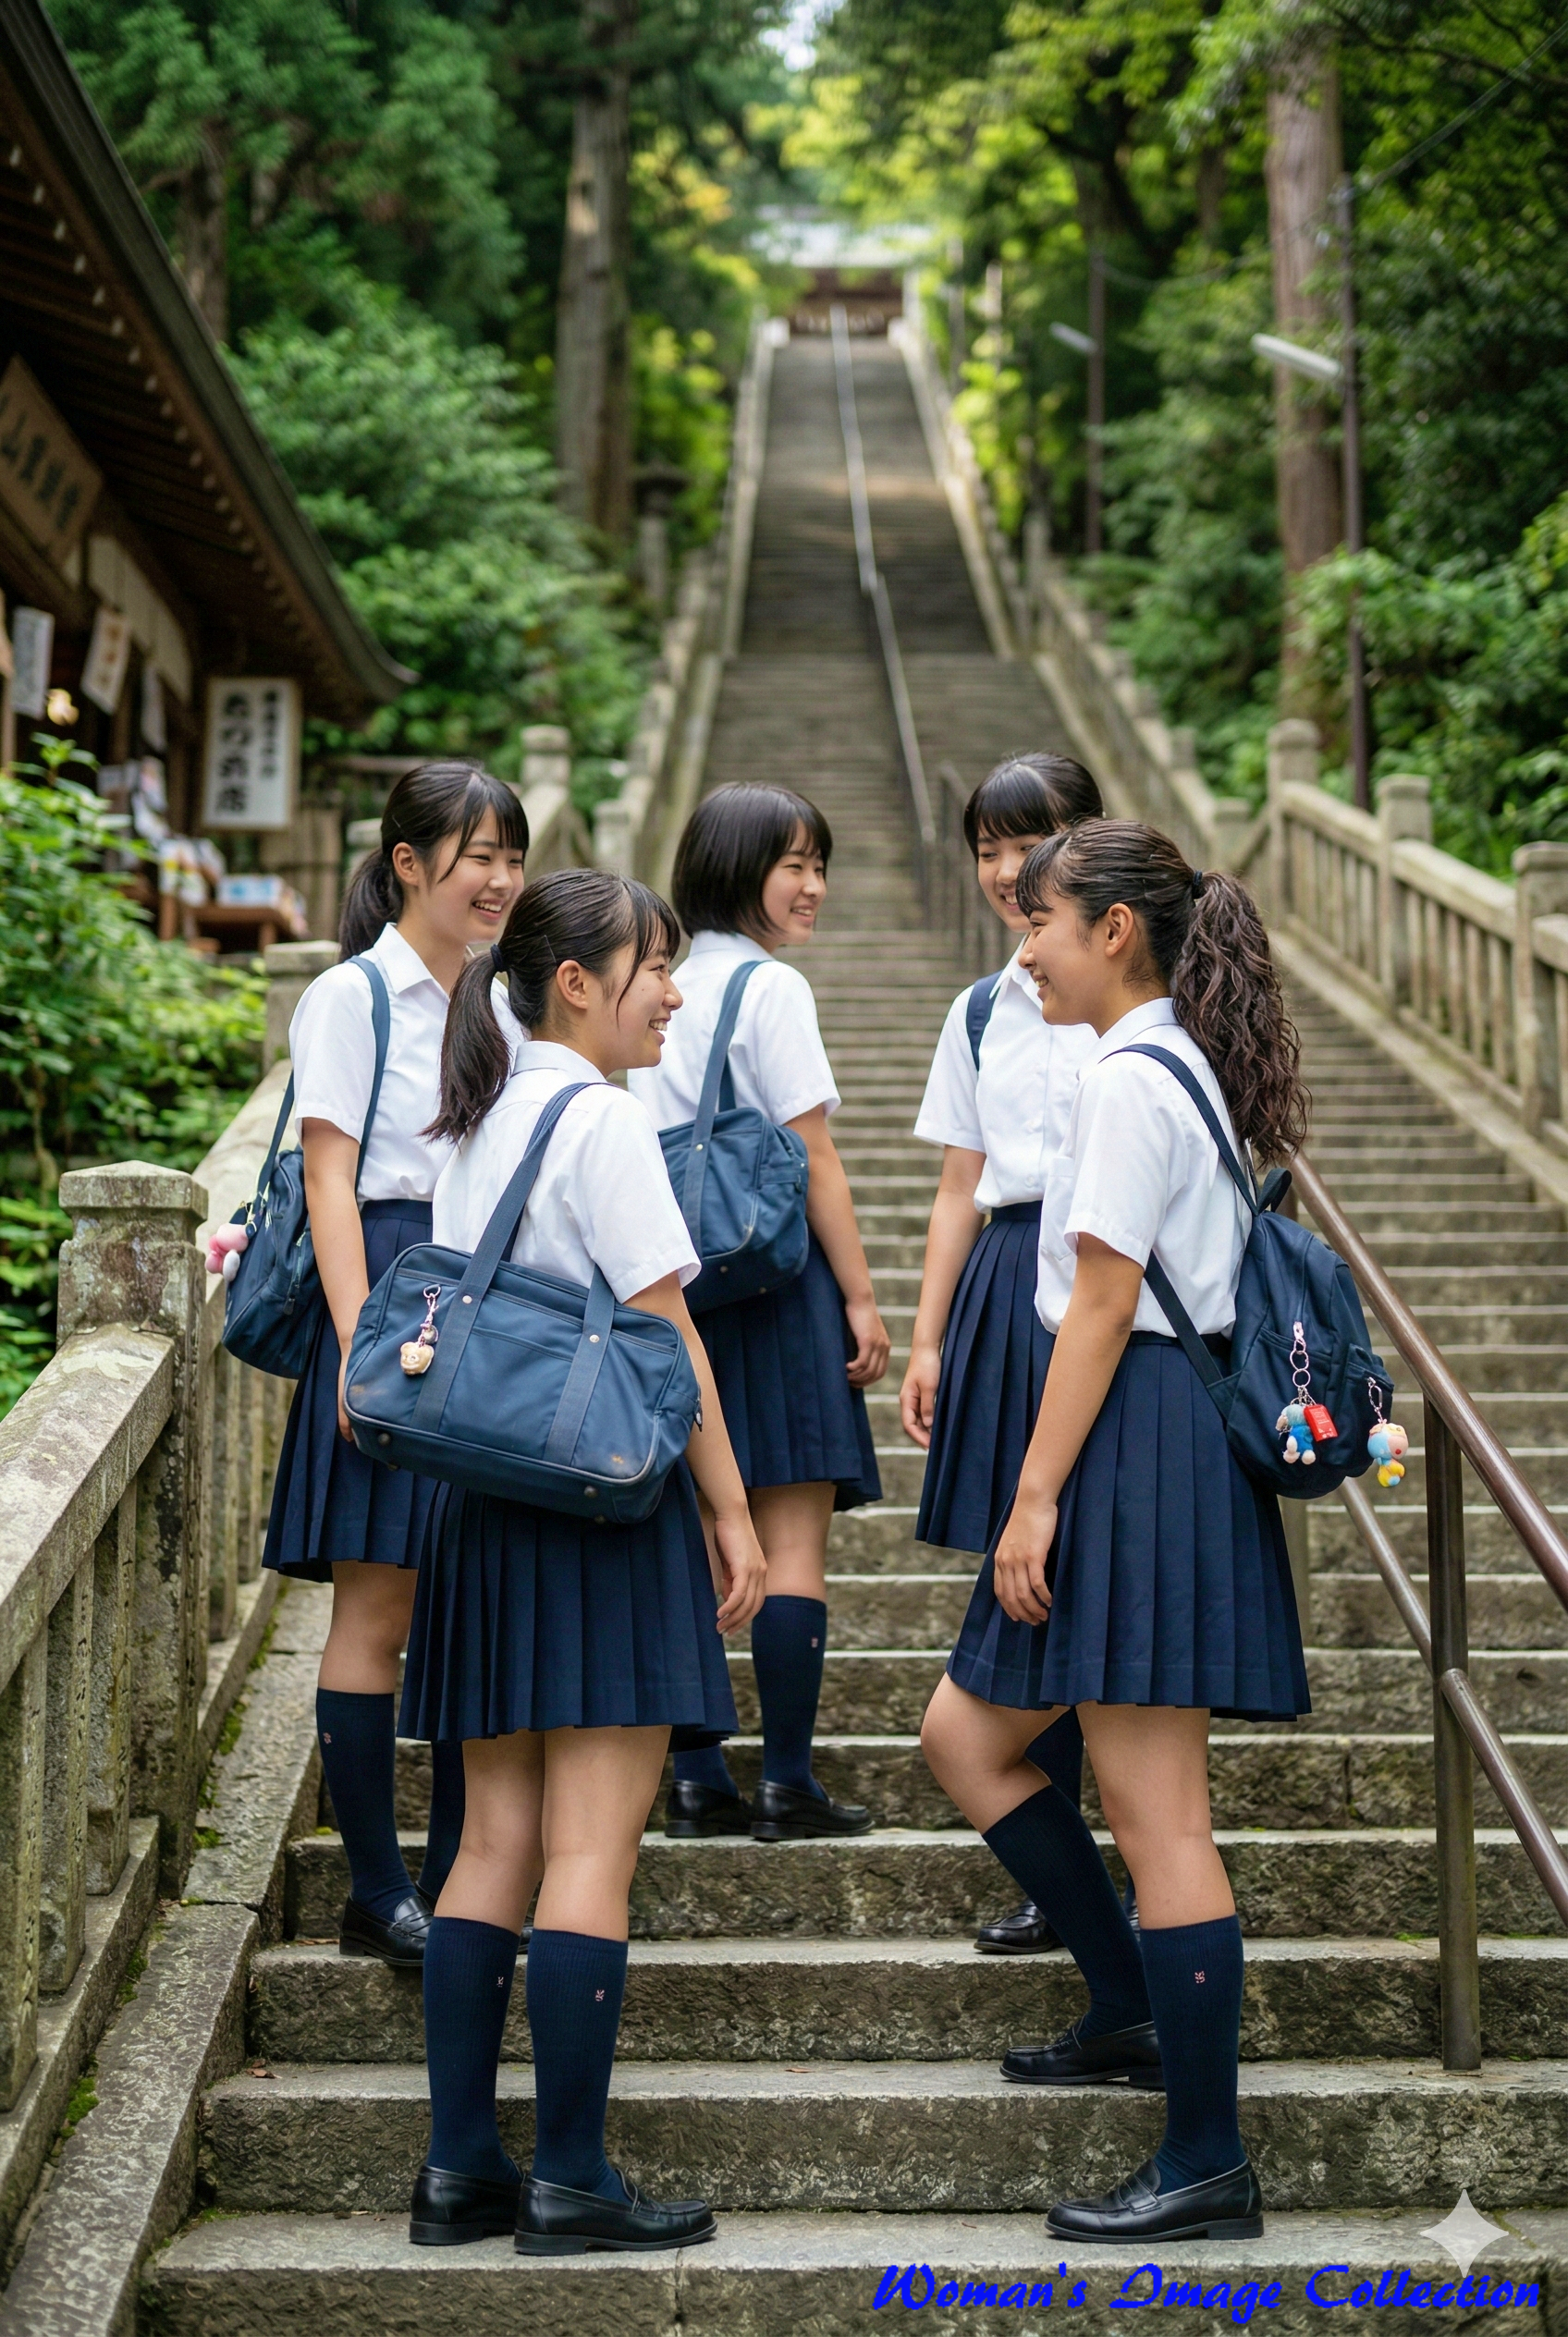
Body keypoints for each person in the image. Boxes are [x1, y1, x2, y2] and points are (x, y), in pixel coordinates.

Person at [921, 820, 1310, 2245]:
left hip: (1138, 1445)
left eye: (1046, 923)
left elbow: (1101, 1303)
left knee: (1163, 1822)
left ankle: (1206, 2155)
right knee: (965, 1735)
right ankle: (1132, 2002)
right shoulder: (1149, 1069)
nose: (1024, 949)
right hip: (1144, 1443)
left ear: (1117, 933)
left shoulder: (1135, 1081)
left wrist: (1032, 1495)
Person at [402, 868, 767, 2253]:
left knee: (490, 1843)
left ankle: (457, 2173)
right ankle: (569, 2180)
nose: (673, 991)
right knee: (587, 1859)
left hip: (487, 1515)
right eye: (652, 968)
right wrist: (731, 1513)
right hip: (604, 1513)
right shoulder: (606, 1124)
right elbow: (670, 1335)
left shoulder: (480, 1116)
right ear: (575, 983)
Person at [260, 762, 527, 1966]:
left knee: (468, 1596)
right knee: (376, 1601)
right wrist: (367, 1353)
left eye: (513, 858)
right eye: (480, 855)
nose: (502, 880)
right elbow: (329, 1175)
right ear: (410, 862)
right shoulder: (352, 999)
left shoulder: (507, 999)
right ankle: (379, 1886)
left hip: (484, 1293)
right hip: (386, 1284)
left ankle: (464, 1880)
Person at [630, 783, 891, 1841]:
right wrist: (864, 1294)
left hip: (673, 1285)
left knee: (693, 1533)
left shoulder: (654, 984)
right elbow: (812, 1155)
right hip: (776, 1286)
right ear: (737, 868)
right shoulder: (770, 991)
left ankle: (696, 1775)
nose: (813, 884)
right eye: (793, 863)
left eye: (819, 863)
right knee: (790, 1545)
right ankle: (786, 1778)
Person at [902, 752, 1105, 1955]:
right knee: (1025, 1581)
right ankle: (1062, 1862)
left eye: (1026, 842)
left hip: (1108, 1294)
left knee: (1075, 1572)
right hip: (1004, 1284)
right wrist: (927, 1337)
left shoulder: (1139, 990)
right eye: (985, 847)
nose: (1001, 871)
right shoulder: (982, 1008)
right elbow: (958, 1187)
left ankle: (1088, 1867)